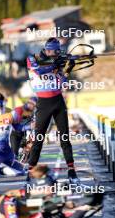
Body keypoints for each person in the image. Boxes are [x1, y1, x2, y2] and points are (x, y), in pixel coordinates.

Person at [27, 37, 80, 185]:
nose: (55, 54)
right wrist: (55, 64)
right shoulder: (33, 59)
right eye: (53, 51)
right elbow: (38, 71)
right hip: (43, 104)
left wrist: (67, 70)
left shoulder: (57, 61)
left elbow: (61, 82)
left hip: (58, 102)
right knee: (38, 140)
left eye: (57, 52)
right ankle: (30, 172)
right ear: (47, 49)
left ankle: (71, 170)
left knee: (65, 138)